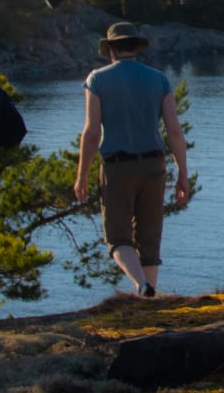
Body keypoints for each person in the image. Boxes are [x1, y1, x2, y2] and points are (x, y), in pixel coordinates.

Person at [73, 22, 193, 297]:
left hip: (117, 167)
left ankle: (141, 286)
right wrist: (183, 173)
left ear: (111, 49)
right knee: (150, 241)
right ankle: (149, 297)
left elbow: (91, 133)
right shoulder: (158, 79)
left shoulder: (97, 80)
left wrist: (82, 175)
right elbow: (174, 130)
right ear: (137, 47)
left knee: (118, 239)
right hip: (154, 166)